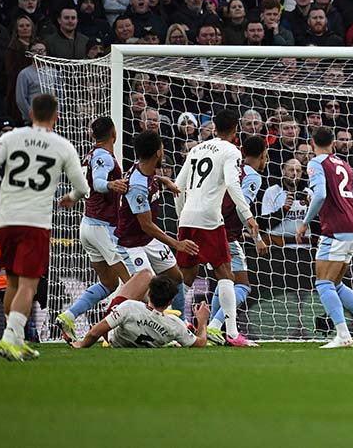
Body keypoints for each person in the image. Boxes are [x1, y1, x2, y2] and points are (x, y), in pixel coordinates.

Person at [0, 93, 90, 361]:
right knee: (28, 285)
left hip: (7, 220)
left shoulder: (12, 137)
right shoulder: (62, 145)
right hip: (35, 222)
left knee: (12, 282)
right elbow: (82, 187)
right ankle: (11, 338)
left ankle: (16, 338)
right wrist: (71, 198)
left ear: (31, 114)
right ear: (56, 117)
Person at [175, 108, 259, 347]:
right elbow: (233, 184)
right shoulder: (231, 151)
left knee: (186, 276)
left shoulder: (197, 149)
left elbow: (178, 186)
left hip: (188, 217)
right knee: (225, 274)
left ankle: (171, 325)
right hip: (211, 219)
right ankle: (231, 333)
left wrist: (182, 215)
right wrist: (248, 215)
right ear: (235, 130)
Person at [299, 126, 353, 348]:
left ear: (311, 143)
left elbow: (320, 195)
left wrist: (305, 223)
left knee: (323, 283)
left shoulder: (316, 163)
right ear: (333, 144)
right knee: (336, 283)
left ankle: (343, 335)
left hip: (335, 229)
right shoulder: (344, 164)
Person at [55, 117, 132, 342]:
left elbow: (84, 184)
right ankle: (111, 331)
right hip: (103, 228)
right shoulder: (103, 156)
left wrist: (73, 196)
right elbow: (97, 183)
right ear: (114, 133)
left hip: (88, 226)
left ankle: (69, 315)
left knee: (109, 283)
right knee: (133, 281)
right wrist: (110, 185)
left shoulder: (91, 155)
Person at [113, 129, 189, 317]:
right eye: (162, 147)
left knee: (176, 277)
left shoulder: (144, 169)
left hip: (146, 239)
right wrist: (176, 244)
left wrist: (164, 181)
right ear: (158, 153)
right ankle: (116, 323)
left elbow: (150, 177)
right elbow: (146, 224)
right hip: (131, 244)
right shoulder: (137, 186)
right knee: (149, 289)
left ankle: (182, 323)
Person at [206, 135, 267, 345]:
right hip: (226, 233)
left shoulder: (232, 169)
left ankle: (212, 330)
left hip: (209, 227)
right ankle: (215, 325)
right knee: (242, 286)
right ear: (263, 155)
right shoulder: (252, 177)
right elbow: (243, 207)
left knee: (224, 280)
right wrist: (257, 237)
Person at [71, 270, 210, 349]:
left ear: (149, 293)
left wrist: (81, 344)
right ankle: (168, 332)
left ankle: (69, 314)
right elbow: (200, 343)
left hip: (113, 337)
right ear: (170, 302)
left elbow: (94, 333)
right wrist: (202, 321)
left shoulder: (129, 306)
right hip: (153, 335)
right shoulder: (176, 324)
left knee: (146, 274)